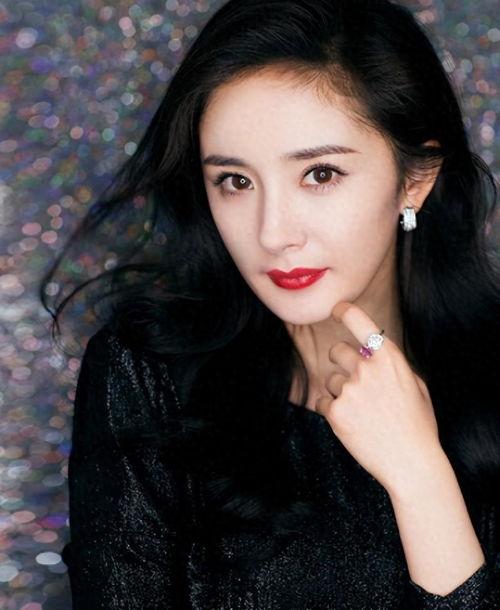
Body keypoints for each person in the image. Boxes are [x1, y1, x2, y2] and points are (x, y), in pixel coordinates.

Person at [39, 0, 500, 607]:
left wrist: (420, 479)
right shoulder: (146, 376)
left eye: (320, 174)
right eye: (236, 181)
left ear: (414, 179)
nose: (273, 232)